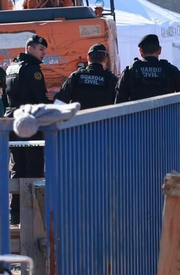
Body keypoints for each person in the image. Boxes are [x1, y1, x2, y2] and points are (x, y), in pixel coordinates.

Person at [6, 34, 49, 223]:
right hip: (30, 123)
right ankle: (35, 214)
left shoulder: (11, 67)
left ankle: (15, 213)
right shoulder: (33, 70)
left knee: (17, 166)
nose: (43, 55)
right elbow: (39, 100)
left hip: (12, 121)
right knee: (34, 167)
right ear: (30, 49)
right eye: (41, 50)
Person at [115, 34, 180, 103]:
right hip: (166, 115)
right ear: (160, 50)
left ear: (141, 52)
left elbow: (119, 103)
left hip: (139, 116)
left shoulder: (130, 71)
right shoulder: (171, 70)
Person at [54, 43, 118, 109]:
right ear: (105, 59)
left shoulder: (76, 76)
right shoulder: (111, 79)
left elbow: (60, 101)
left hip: (80, 118)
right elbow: (120, 103)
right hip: (104, 118)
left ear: (88, 58)